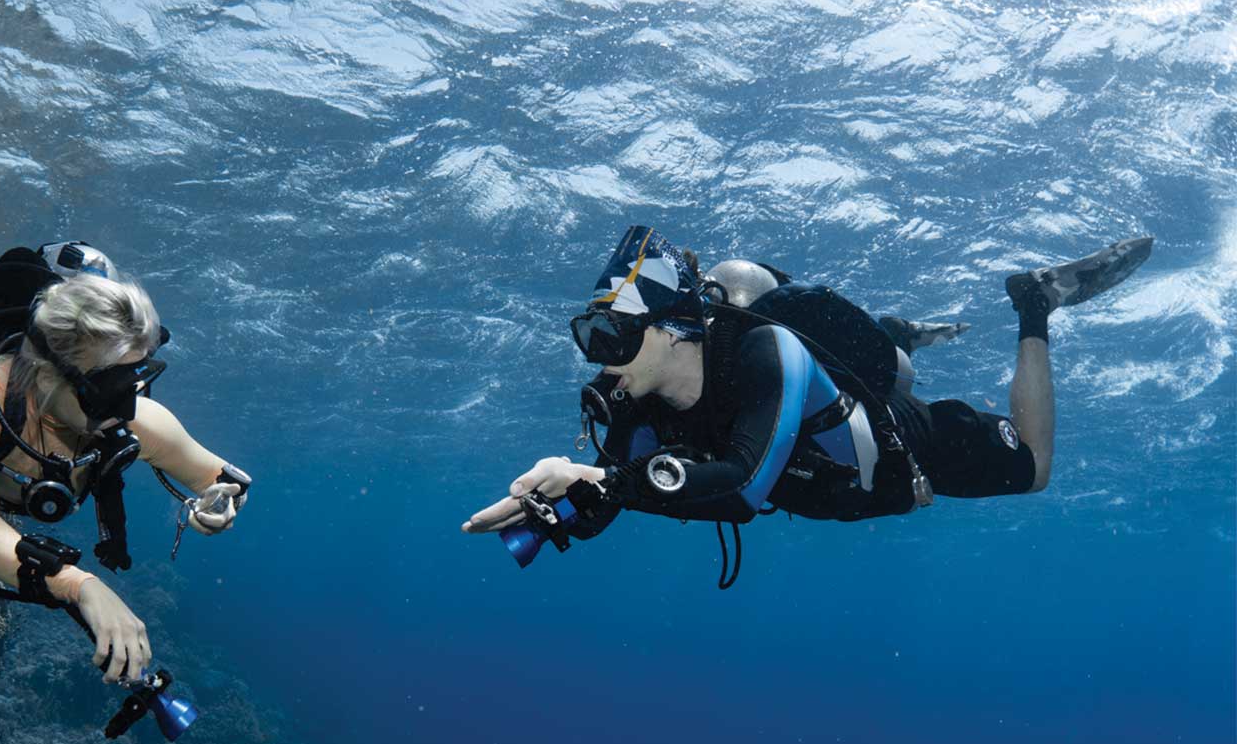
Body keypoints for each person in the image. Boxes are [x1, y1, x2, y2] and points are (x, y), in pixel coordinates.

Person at [463, 225, 1152, 579]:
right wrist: (549, 506)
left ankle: (1034, 305)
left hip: (905, 450)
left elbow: (738, 487)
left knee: (1032, 469)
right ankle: (895, 335)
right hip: (829, 457)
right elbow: (610, 498)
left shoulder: (771, 352)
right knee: (881, 362)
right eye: (591, 334)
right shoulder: (637, 403)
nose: (597, 356)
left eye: (612, 334)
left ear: (675, 331)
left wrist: (602, 479)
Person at [0, 240, 250, 682]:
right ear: (48, 373)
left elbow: (226, 481)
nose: (127, 409)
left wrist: (219, 505)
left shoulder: (137, 419)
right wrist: (81, 585)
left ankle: (68, 281)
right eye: (111, 389)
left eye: (136, 382)